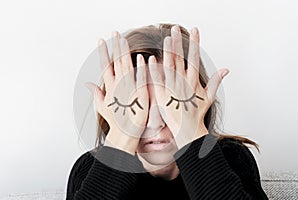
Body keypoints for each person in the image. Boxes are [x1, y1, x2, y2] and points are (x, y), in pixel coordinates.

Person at [66, 23, 268, 199]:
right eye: (136, 105)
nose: (155, 122)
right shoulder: (88, 169)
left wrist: (191, 134)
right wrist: (119, 140)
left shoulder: (231, 158)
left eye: (172, 102)